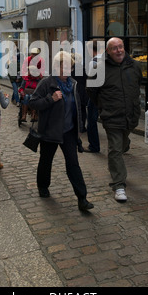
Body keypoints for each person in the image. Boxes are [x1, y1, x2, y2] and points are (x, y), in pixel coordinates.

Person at [29, 51, 94, 212]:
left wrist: (79, 128)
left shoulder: (72, 84)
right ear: (56, 67)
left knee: (73, 164)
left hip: (69, 132)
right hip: (50, 131)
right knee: (46, 161)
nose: (68, 71)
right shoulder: (46, 83)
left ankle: (82, 198)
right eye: (65, 67)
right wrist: (51, 99)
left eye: (70, 67)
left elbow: (77, 107)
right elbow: (33, 102)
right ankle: (43, 186)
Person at [87, 37, 142, 202]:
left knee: (121, 146)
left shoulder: (135, 66)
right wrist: (104, 106)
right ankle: (119, 185)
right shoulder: (99, 69)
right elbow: (91, 91)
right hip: (111, 116)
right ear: (108, 51)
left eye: (121, 47)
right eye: (114, 48)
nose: (118, 50)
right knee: (115, 149)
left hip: (130, 116)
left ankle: (123, 149)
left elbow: (137, 87)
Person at [83, 41, 103, 154]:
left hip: (95, 95)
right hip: (107, 94)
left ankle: (94, 145)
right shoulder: (107, 60)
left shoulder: (94, 62)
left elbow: (91, 82)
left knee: (91, 120)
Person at [19, 47, 45, 122]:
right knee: (26, 97)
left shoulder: (41, 60)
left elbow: (42, 73)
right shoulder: (27, 60)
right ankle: (24, 115)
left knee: (34, 97)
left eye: (36, 55)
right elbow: (23, 72)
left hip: (36, 87)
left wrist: (38, 75)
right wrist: (28, 76)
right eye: (33, 54)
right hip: (28, 86)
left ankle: (34, 114)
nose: (34, 56)